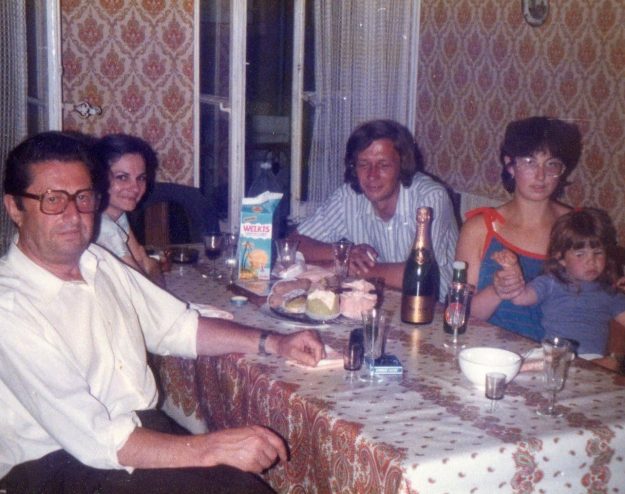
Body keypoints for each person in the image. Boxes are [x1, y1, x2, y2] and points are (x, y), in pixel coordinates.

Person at [0, 131, 325, 493]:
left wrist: (274, 342)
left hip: (137, 431)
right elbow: (95, 437)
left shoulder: (98, 262)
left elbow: (177, 327)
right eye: (53, 200)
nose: (73, 215)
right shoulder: (9, 306)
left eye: (83, 198)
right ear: (15, 208)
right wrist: (211, 447)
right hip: (55, 464)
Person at [291, 119, 458, 300]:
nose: (372, 175)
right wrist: (343, 253)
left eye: (383, 165)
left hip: (435, 307)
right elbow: (293, 243)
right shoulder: (348, 197)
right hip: (378, 301)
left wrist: (350, 269)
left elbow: (419, 275)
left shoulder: (430, 198)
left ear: (402, 165)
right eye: (364, 164)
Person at [455, 116, 582, 341]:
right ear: (510, 165)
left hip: (556, 353)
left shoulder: (577, 226)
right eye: (530, 162)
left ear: (562, 170)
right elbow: (459, 315)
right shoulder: (480, 228)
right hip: (488, 351)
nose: (541, 175)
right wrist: (496, 291)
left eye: (551, 164)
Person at [492, 208, 625, 368]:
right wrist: (513, 268)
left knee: (610, 364)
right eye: (580, 254)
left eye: (598, 253)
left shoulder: (610, 293)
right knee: (520, 361)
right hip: (554, 355)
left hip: (592, 361)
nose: (591, 261)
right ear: (561, 258)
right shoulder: (551, 282)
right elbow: (520, 298)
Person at [91, 133, 163, 285]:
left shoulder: (116, 213)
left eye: (141, 178)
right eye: (122, 177)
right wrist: (154, 266)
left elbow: (140, 258)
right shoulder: (103, 227)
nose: (135, 188)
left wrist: (148, 266)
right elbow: (148, 289)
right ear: (99, 178)